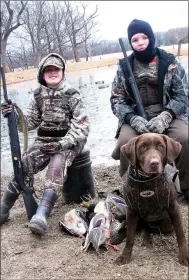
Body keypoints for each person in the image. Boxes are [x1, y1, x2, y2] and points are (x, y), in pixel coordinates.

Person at [1, 53, 90, 235]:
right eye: (48, 70)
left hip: (67, 144)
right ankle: (3, 208)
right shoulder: (37, 96)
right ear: (42, 73)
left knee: (55, 168)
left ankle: (41, 214)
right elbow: (28, 124)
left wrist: (62, 144)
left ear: (62, 72)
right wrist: (12, 115)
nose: (52, 72)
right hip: (43, 141)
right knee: (23, 164)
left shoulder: (72, 95)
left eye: (56, 69)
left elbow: (82, 127)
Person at [110, 19, 188, 200]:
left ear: (151, 38)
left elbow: (182, 96)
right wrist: (132, 118)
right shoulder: (123, 68)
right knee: (125, 141)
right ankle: (130, 192)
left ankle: (186, 187)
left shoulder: (170, 62)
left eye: (144, 37)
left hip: (169, 113)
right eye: (135, 39)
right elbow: (116, 100)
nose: (140, 42)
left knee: (185, 137)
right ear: (131, 43)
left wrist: (166, 116)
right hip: (137, 117)